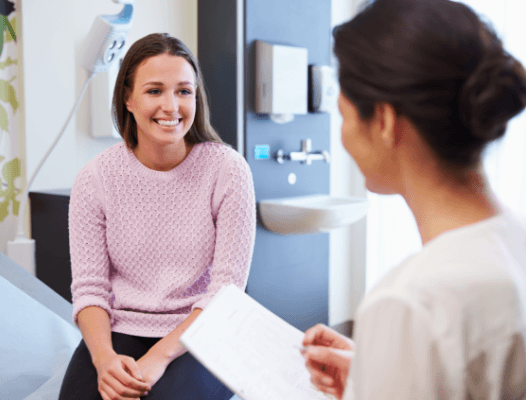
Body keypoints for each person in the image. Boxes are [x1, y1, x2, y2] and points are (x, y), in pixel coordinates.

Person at [301, 0, 526, 398]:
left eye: (344, 115)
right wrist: (375, 374)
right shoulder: (512, 242)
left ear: (384, 122)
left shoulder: (409, 301)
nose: (344, 138)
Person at [59, 33, 256, 400]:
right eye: (154, 91)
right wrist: (104, 360)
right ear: (128, 99)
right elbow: (90, 289)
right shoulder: (95, 179)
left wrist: (158, 357)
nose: (172, 106)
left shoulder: (228, 171)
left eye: (184, 91)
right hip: (123, 327)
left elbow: (226, 294)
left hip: (204, 329)